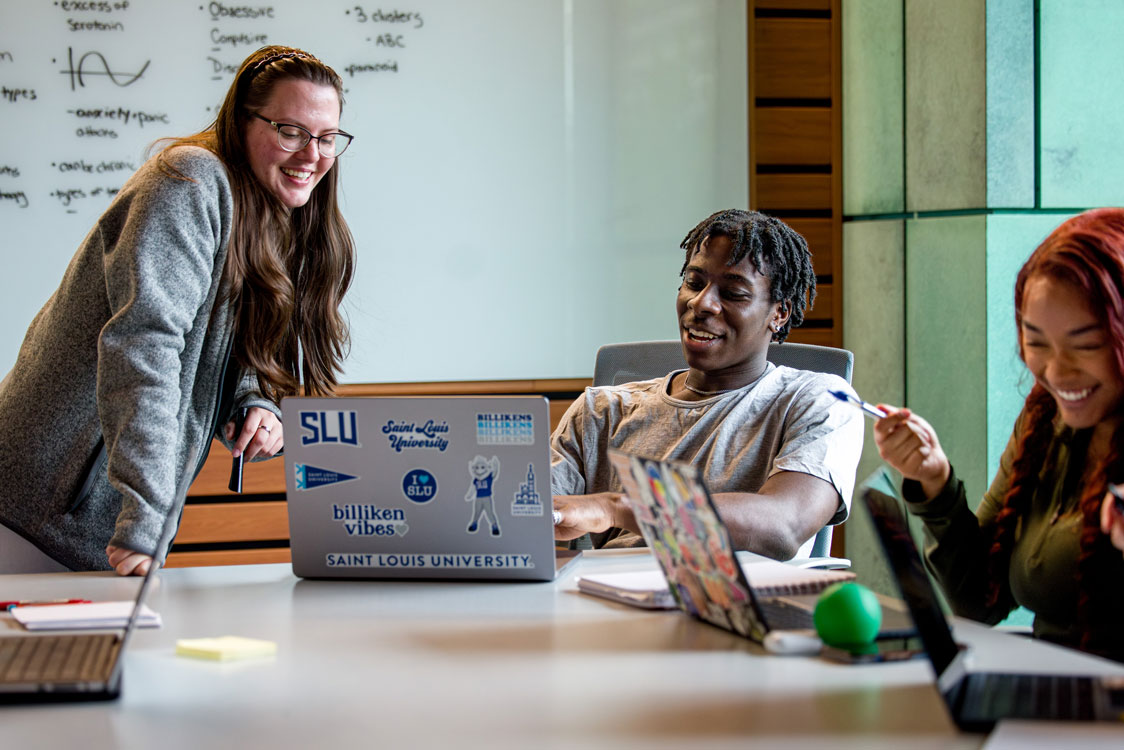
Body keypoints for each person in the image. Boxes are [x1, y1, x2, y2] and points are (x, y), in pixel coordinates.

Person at [0, 45, 355, 575]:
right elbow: (144, 348)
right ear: (241, 121)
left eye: (327, 138)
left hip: (91, 524)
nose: (312, 154)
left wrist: (255, 402)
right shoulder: (188, 181)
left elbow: (215, 346)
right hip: (33, 510)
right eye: (290, 131)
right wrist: (145, 521)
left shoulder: (265, 213)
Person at [874, 208, 1124, 661]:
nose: (1056, 371)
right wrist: (934, 481)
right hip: (1059, 701)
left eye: (1085, 345)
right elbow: (978, 601)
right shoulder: (1046, 422)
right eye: (1037, 342)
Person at [550, 209, 863, 560]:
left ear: (779, 313)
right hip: (605, 603)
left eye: (733, 293)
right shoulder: (601, 410)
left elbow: (784, 524)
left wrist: (615, 508)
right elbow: (527, 516)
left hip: (741, 608)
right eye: (694, 283)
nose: (701, 303)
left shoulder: (820, 402)